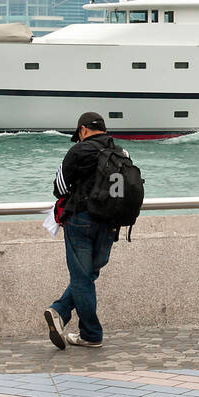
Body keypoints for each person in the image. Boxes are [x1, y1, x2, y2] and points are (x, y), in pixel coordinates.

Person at [44, 112, 124, 350]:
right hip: (110, 223)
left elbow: (59, 188)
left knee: (82, 278)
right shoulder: (119, 152)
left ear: (83, 130)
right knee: (87, 276)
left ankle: (90, 334)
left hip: (81, 220)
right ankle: (58, 312)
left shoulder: (79, 151)